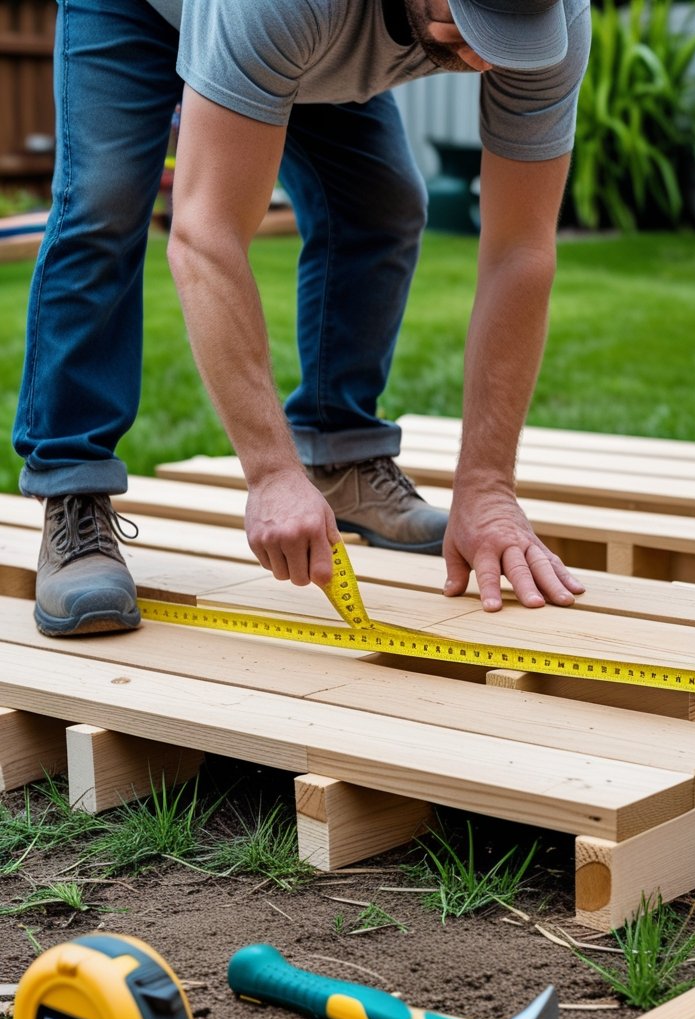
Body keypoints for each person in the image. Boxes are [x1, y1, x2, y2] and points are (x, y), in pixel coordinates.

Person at [13, 0, 590, 638]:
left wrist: (487, 486)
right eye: (475, 28)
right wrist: (271, 474)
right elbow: (206, 236)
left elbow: (520, 252)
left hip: (305, 30)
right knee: (104, 209)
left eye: (515, 38)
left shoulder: (553, 24)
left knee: (381, 206)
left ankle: (339, 455)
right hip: (137, 8)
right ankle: (73, 493)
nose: (487, 58)